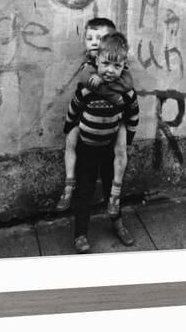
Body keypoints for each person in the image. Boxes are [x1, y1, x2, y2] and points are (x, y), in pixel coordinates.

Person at [63, 32, 139, 253]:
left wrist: (129, 138)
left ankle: (117, 224)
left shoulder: (126, 93)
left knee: (112, 189)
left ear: (124, 65)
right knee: (84, 190)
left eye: (116, 66)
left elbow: (133, 115)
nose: (110, 70)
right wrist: (69, 128)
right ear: (96, 60)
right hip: (87, 147)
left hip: (109, 149)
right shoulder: (87, 88)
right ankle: (80, 234)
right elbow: (74, 107)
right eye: (105, 63)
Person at [55, 18, 134, 218]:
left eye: (99, 39)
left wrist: (129, 128)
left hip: (113, 128)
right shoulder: (88, 69)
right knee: (73, 145)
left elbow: (128, 89)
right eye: (89, 38)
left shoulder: (117, 69)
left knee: (118, 156)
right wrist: (70, 124)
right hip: (88, 129)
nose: (92, 42)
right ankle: (69, 185)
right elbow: (81, 88)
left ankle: (117, 213)